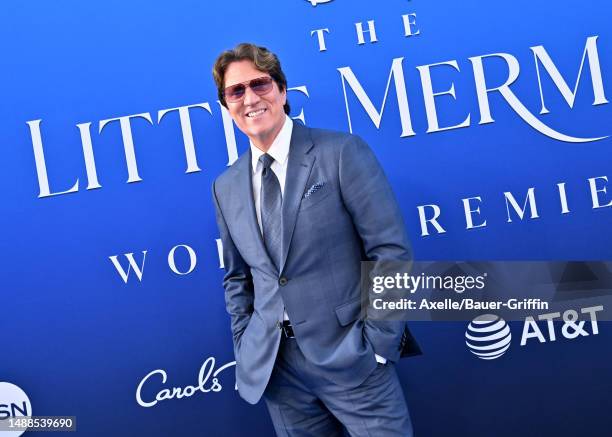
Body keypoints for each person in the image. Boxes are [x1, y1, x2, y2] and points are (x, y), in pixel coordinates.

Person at [211, 42, 421, 436]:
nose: (250, 98)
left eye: (260, 84)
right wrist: (247, 346)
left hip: (353, 358)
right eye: (236, 91)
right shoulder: (226, 186)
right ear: (226, 106)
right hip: (279, 373)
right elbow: (238, 280)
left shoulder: (341, 152)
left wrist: (377, 345)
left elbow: (389, 251)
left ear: (282, 90)